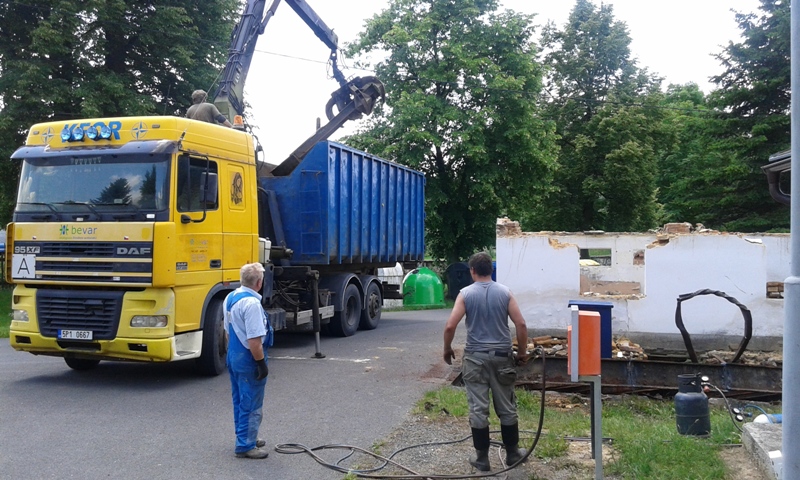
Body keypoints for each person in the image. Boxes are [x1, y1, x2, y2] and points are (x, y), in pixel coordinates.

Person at [443, 251, 529, 472]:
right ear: (491, 270)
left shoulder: (465, 294)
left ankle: (482, 459)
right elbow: (521, 324)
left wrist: (447, 348)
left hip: (475, 359)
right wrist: (522, 353)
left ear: (472, 271)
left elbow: (450, 326)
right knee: (507, 407)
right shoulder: (506, 293)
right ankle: (513, 454)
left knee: (478, 408)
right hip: (502, 358)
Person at [225, 262, 274, 459]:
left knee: (240, 399)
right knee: (251, 402)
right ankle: (246, 445)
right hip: (248, 357)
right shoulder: (252, 304)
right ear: (259, 282)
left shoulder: (231, 297)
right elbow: (254, 340)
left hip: (234, 354)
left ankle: (245, 436)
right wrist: (261, 363)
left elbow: (228, 330)